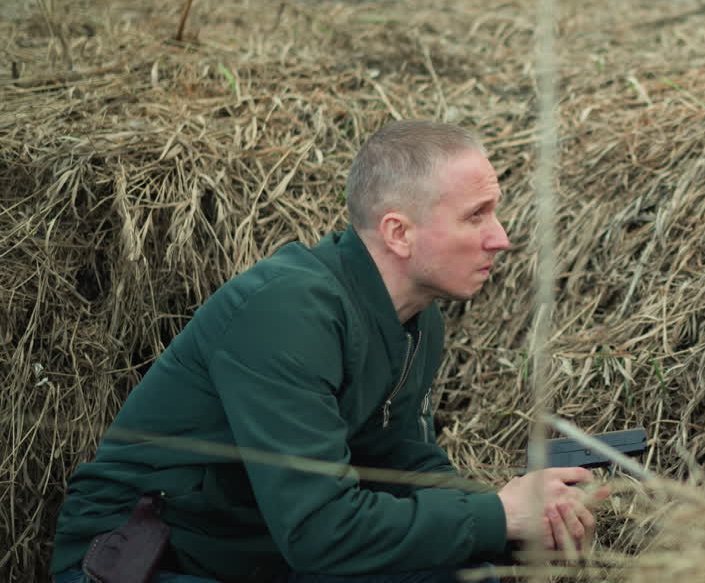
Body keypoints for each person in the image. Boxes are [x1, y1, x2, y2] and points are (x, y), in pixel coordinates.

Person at [51, 121, 608, 583]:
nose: (501, 237)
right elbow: (322, 532)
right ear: (399, 234)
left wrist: (521, 523)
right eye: (476, 215)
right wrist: (494, 514)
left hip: (259, 547)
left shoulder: (415, 314)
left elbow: (399, 463)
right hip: (142, 557)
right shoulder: (288, 313)